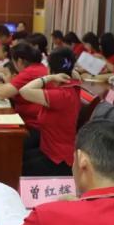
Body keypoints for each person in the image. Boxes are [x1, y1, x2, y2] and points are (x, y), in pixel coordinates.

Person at [19, 47, 81, 176]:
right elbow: (75, 73)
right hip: (48, 150)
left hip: (59, 159)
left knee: (18, 167)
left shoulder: (62, 95)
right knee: (18, 156)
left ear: (51, 70)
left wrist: (48, 78)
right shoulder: (72, 84)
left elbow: (24, 91)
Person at [0, 43, 48, 144]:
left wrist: (3, 85)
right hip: (38, 125)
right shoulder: (40, 67)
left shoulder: (30, 72)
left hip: (33, 128)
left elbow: (1, 94)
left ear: (19, 61)